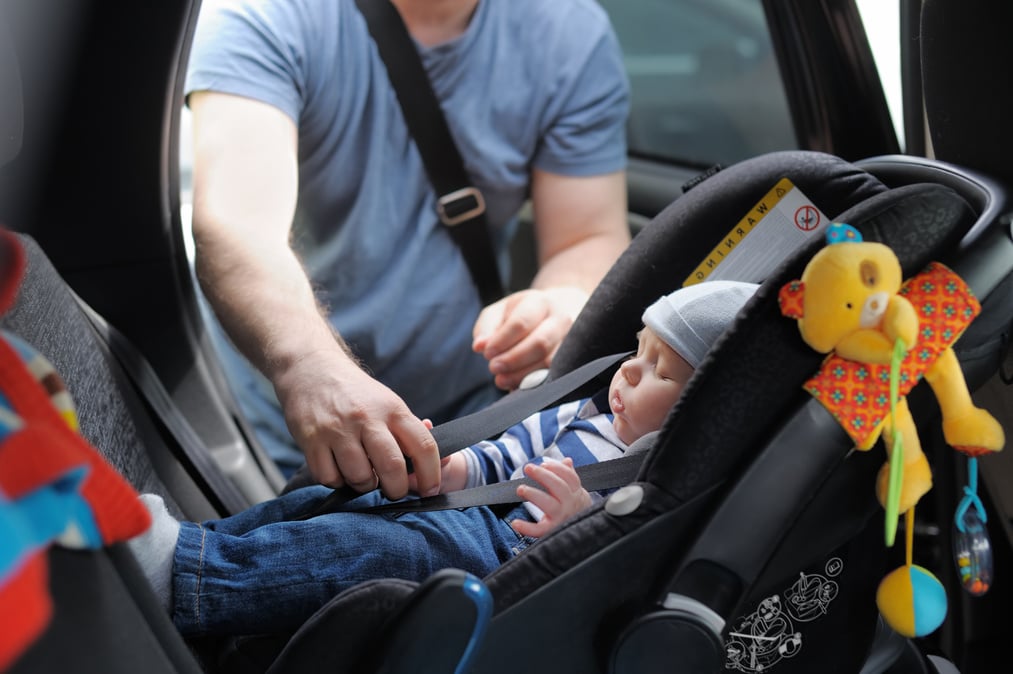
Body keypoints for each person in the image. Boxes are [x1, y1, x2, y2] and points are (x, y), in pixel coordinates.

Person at [129, 281, 759, 636]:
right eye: (638, 351)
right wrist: (450, 468)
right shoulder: (584, 414)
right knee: (337, 501)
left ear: (700, 408)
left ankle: (193, 582)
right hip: (468, 507)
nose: (628, 373)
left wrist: (572, 521)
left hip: (505, 554)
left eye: (659, 372)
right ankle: (196, 546)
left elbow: (610, 557)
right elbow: (508, 454)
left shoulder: (655, 478)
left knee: (381, 552)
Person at [185, 0, 632, 494]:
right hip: (282, 422)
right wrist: (307, 366)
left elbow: (588, 236)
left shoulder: (567, 31)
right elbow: (236, 223)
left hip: (468, 424)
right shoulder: (268, 14)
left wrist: (562, 302)